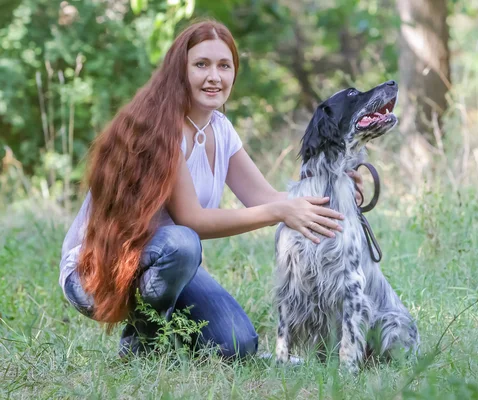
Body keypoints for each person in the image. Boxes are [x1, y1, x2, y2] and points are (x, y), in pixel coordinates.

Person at [59, 19, 363, 359]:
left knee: (237, 345)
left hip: (163, 267)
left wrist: (334, 184)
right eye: (201, 64)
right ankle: (143, 344)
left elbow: (265, 197)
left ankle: (170, 336)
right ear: (180, 70)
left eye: (224, 66)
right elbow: (193, 220)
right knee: (183, 242)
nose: (214, 77)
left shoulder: (220, 129)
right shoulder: (159, 128)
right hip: (97, 271)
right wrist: (279, 213)